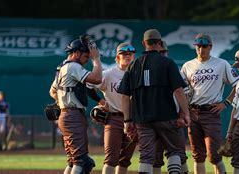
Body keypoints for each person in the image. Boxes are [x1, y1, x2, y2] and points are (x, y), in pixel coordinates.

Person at [118, 29, 190, 174]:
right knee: (174, 151)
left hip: (142, 119)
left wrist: (127, 120)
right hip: (166, 116)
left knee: (146, 156)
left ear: (144, 43)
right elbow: (178, 91)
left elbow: (125, 96)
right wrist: (186, 113)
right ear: (159, 43)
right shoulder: (168, 63)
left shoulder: (133, 65)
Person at [180, 33, 239, 174]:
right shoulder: (187, 66)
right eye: (198, 46)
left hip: (211, 112)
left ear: (211, 47)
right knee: (197, 155)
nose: (201, 50)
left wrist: (226, 103)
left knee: (214, 154)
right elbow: (181, 90)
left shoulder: (221, 64)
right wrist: (186, 108)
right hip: (193, 112)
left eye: (204, 46)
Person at [49, 35, 103, 174]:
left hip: (66, 116)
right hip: (73, 116)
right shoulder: (73, 66)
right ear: (77, 53)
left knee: (73, 160)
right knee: (83, 162)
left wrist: (62, 102)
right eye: (86, 56)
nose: (86, 60)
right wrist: (96, 59)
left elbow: (52, 91)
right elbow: (97, 79)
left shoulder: (62, 67)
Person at [92, 43, 138, 174]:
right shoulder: (108, 74)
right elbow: (89, 87)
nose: (127, 56)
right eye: (124, 54)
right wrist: (101, 101)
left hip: (134, 120)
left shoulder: (138, 75)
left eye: (130, 54)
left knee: (125, 159)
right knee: (111, 159)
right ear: (117, 58)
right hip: (114, 119)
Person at [153, 41, 190, 174]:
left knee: (180, 155)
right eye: (160, 52)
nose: (163, 54)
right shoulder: (151, 69)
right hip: (154, 119)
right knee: (155, 157)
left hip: (173, 118)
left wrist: (182, 115)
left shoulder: (173, 68)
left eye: (164, 52)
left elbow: (183, 94)